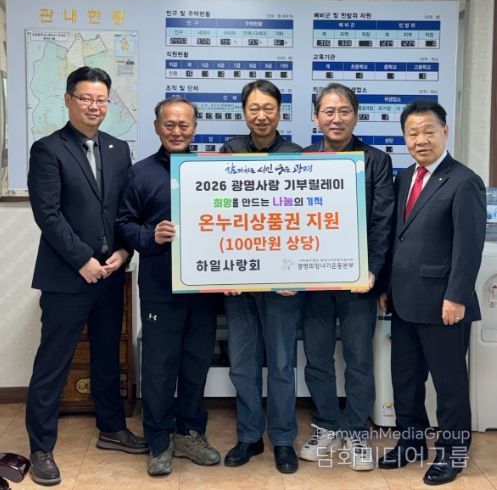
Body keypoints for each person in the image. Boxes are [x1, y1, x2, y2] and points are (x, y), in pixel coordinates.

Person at [26, 66, 147, 486]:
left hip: (111, 274)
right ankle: (41, 447)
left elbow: (125, 210)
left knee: (108, 356)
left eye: (101, 100)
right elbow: (48, 214)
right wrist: (83, 260)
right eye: (85, 98)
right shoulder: (48, 149)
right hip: (67, 277)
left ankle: (112, 428)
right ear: (68, 100)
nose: (94, 106)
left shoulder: (118, 149)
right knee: (53, 362)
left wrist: (124, 251)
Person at [377, 100, 486, 485]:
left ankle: (453, 452)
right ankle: (411, 441)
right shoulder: (405, 176)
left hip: (444, 305)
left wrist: (456, 296)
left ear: (445, 132)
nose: (420, 140)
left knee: (449, 385)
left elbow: (469, 247)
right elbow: (398, 237)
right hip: (404, 301)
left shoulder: (464, 181)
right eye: (412, 133)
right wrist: (386, 286)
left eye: (428, 131)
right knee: (405, 380)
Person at [115, 97, 221, 477]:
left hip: (205, 288)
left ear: (195, 128)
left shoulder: (212, 170)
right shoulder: (140, 173)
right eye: (169, 124)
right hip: (161, 287)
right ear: (157, 127)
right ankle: (159, 441)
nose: (177, 131)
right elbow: (124, 224)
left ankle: (190, 433)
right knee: (159, 367)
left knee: (196, 364)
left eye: (184, 124)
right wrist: (151, 236)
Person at [299, 83, 394, 470]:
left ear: (356, 115)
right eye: (328, 111)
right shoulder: (303, 158)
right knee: (318, 358)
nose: (336, 118)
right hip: (315, 281)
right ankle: (325, 424)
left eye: (344, 111)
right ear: (316, 117)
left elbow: (383, 221)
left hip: (359, 282)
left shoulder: (376, 160)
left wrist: (372, 271)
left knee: (358, 360)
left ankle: (355, 430)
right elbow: (292, 220)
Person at [220, 79, 303, 475]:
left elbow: (306, 222)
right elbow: (218, 214)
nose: (261, 115)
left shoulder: (297, 155)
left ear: (279, 112)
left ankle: (283, 439)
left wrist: (296, 274)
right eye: (254, 108)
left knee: (282, 364)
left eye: (268, 108)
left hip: (283, 284)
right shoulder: (229, 151)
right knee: (242, 364)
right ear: (244, 112)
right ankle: (250, 436)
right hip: (239, 282)